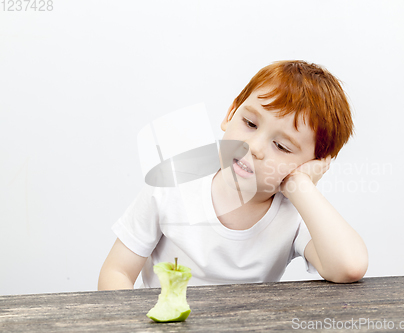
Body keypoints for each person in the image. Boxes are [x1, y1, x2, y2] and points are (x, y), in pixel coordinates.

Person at [98, 60, 368, 290]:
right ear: (230, 113)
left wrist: (300, 185)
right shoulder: (172, 184)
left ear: (311, 165)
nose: (254, 148)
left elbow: (349, 266)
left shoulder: (294, 216)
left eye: (282, 146)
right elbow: (117, 272)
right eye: (250, 123)